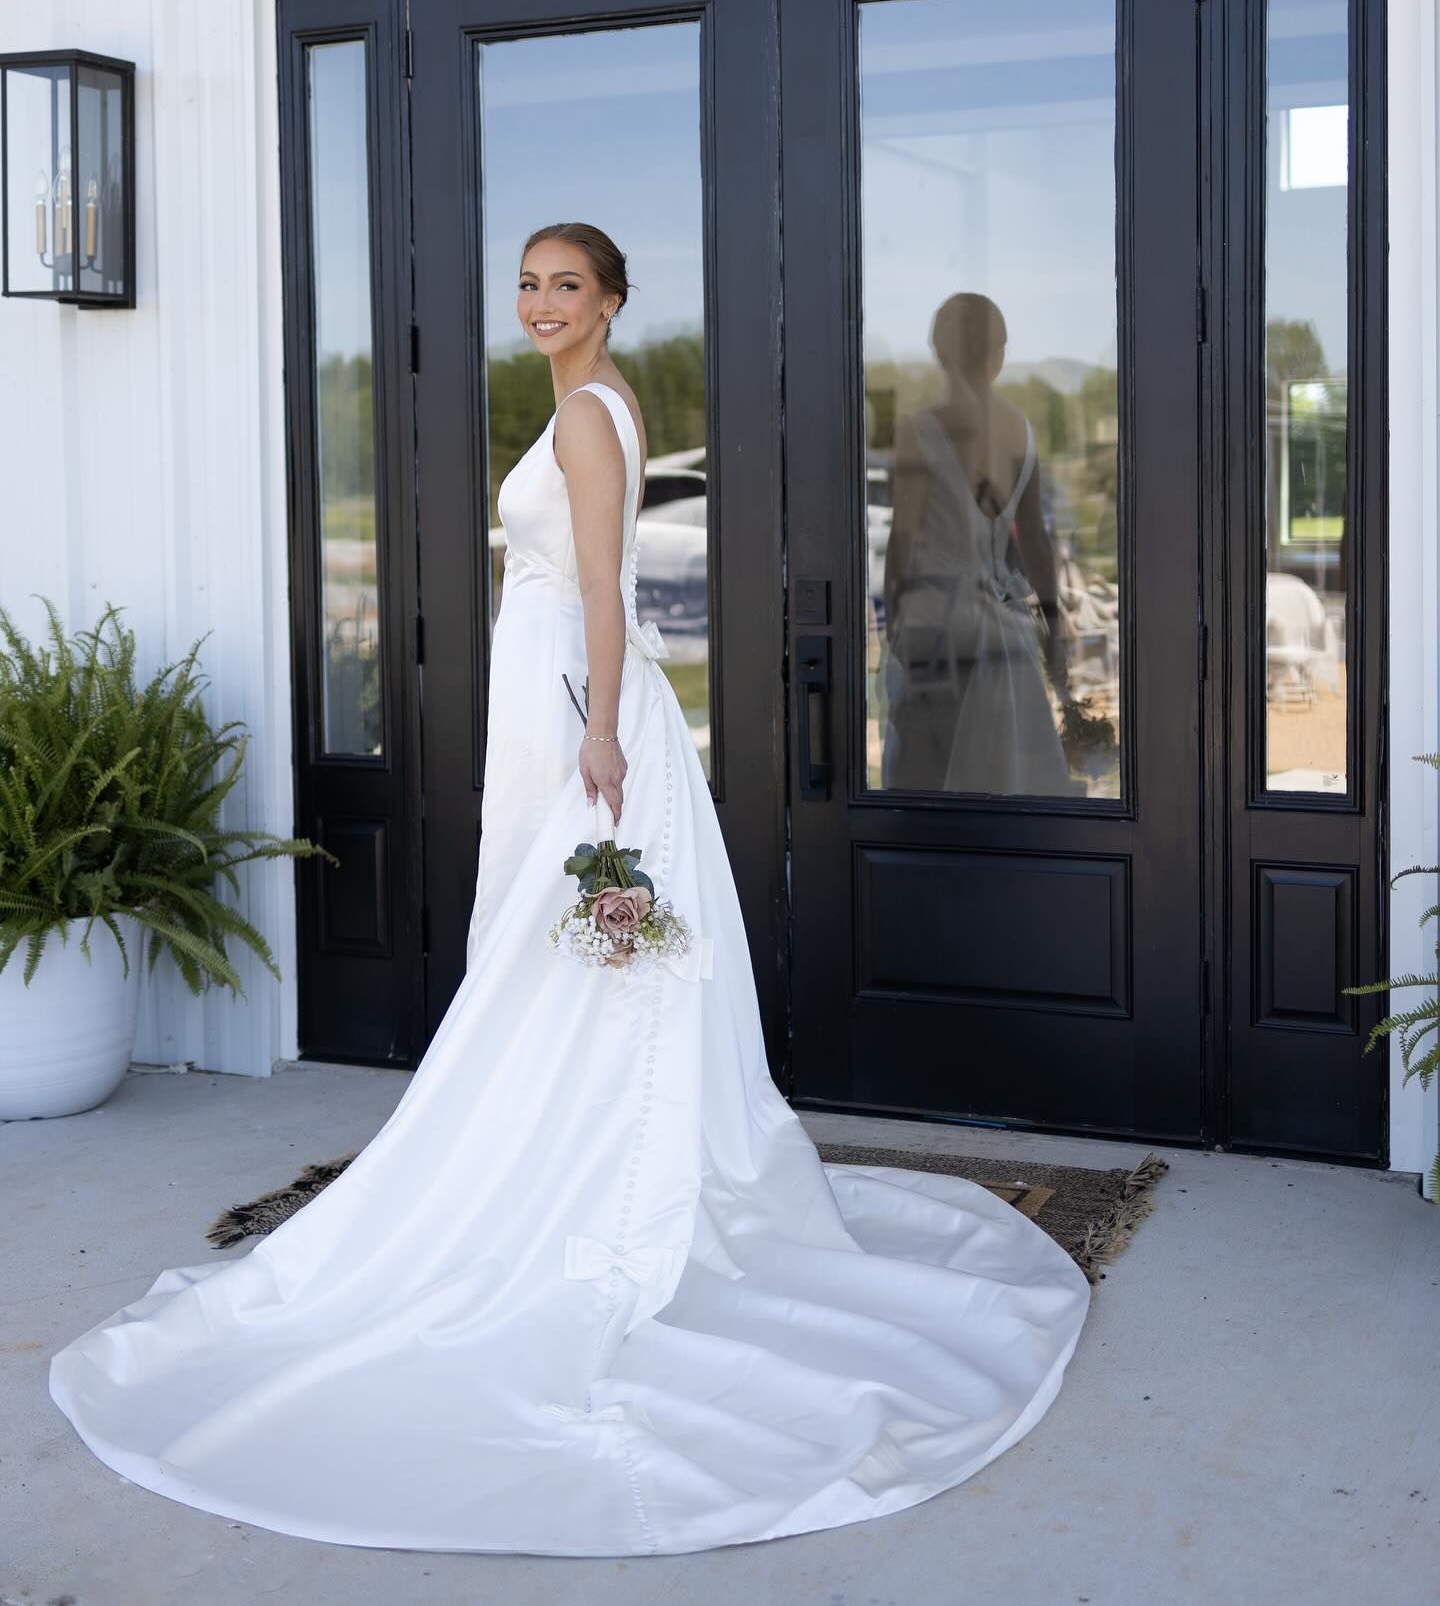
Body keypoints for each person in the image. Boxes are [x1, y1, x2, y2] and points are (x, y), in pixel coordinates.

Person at [48, 224, 1090, 1557]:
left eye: (566, 286)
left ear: (609, 302)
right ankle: (553, 1145)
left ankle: (581, 1181)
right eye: (529, 285)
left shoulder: (592, 418)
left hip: (574, 699)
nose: (541, 304)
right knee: (552, 948)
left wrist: (599, 729)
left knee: (576, 945)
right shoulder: (587, 398)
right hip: (546, 685)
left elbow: (604, 585)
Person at [882, 291, 1078, 796]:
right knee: (1006, 789)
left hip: (936, 627)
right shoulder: (1022, 430)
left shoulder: (918, 430)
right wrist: (1051, 621)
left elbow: (903, 539)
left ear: (940, 352)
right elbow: (1033, 537)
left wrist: (895, 628)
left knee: (928, 788)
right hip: (1002, 635)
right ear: (999, 356)